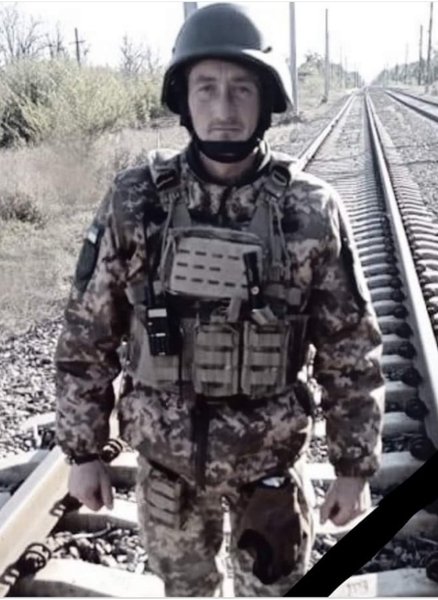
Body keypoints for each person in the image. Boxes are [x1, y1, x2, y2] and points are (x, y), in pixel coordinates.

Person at [55, 3, 385, 596]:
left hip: (270, 466)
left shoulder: (310, 209)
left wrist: (353, 466)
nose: (224, 109)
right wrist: (83, 453)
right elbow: (88, 333)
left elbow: (350, 348)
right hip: (168, 471)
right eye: (206, 88)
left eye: (241, 89)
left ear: (266, 100)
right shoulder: (135, 201)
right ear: (184, 100)